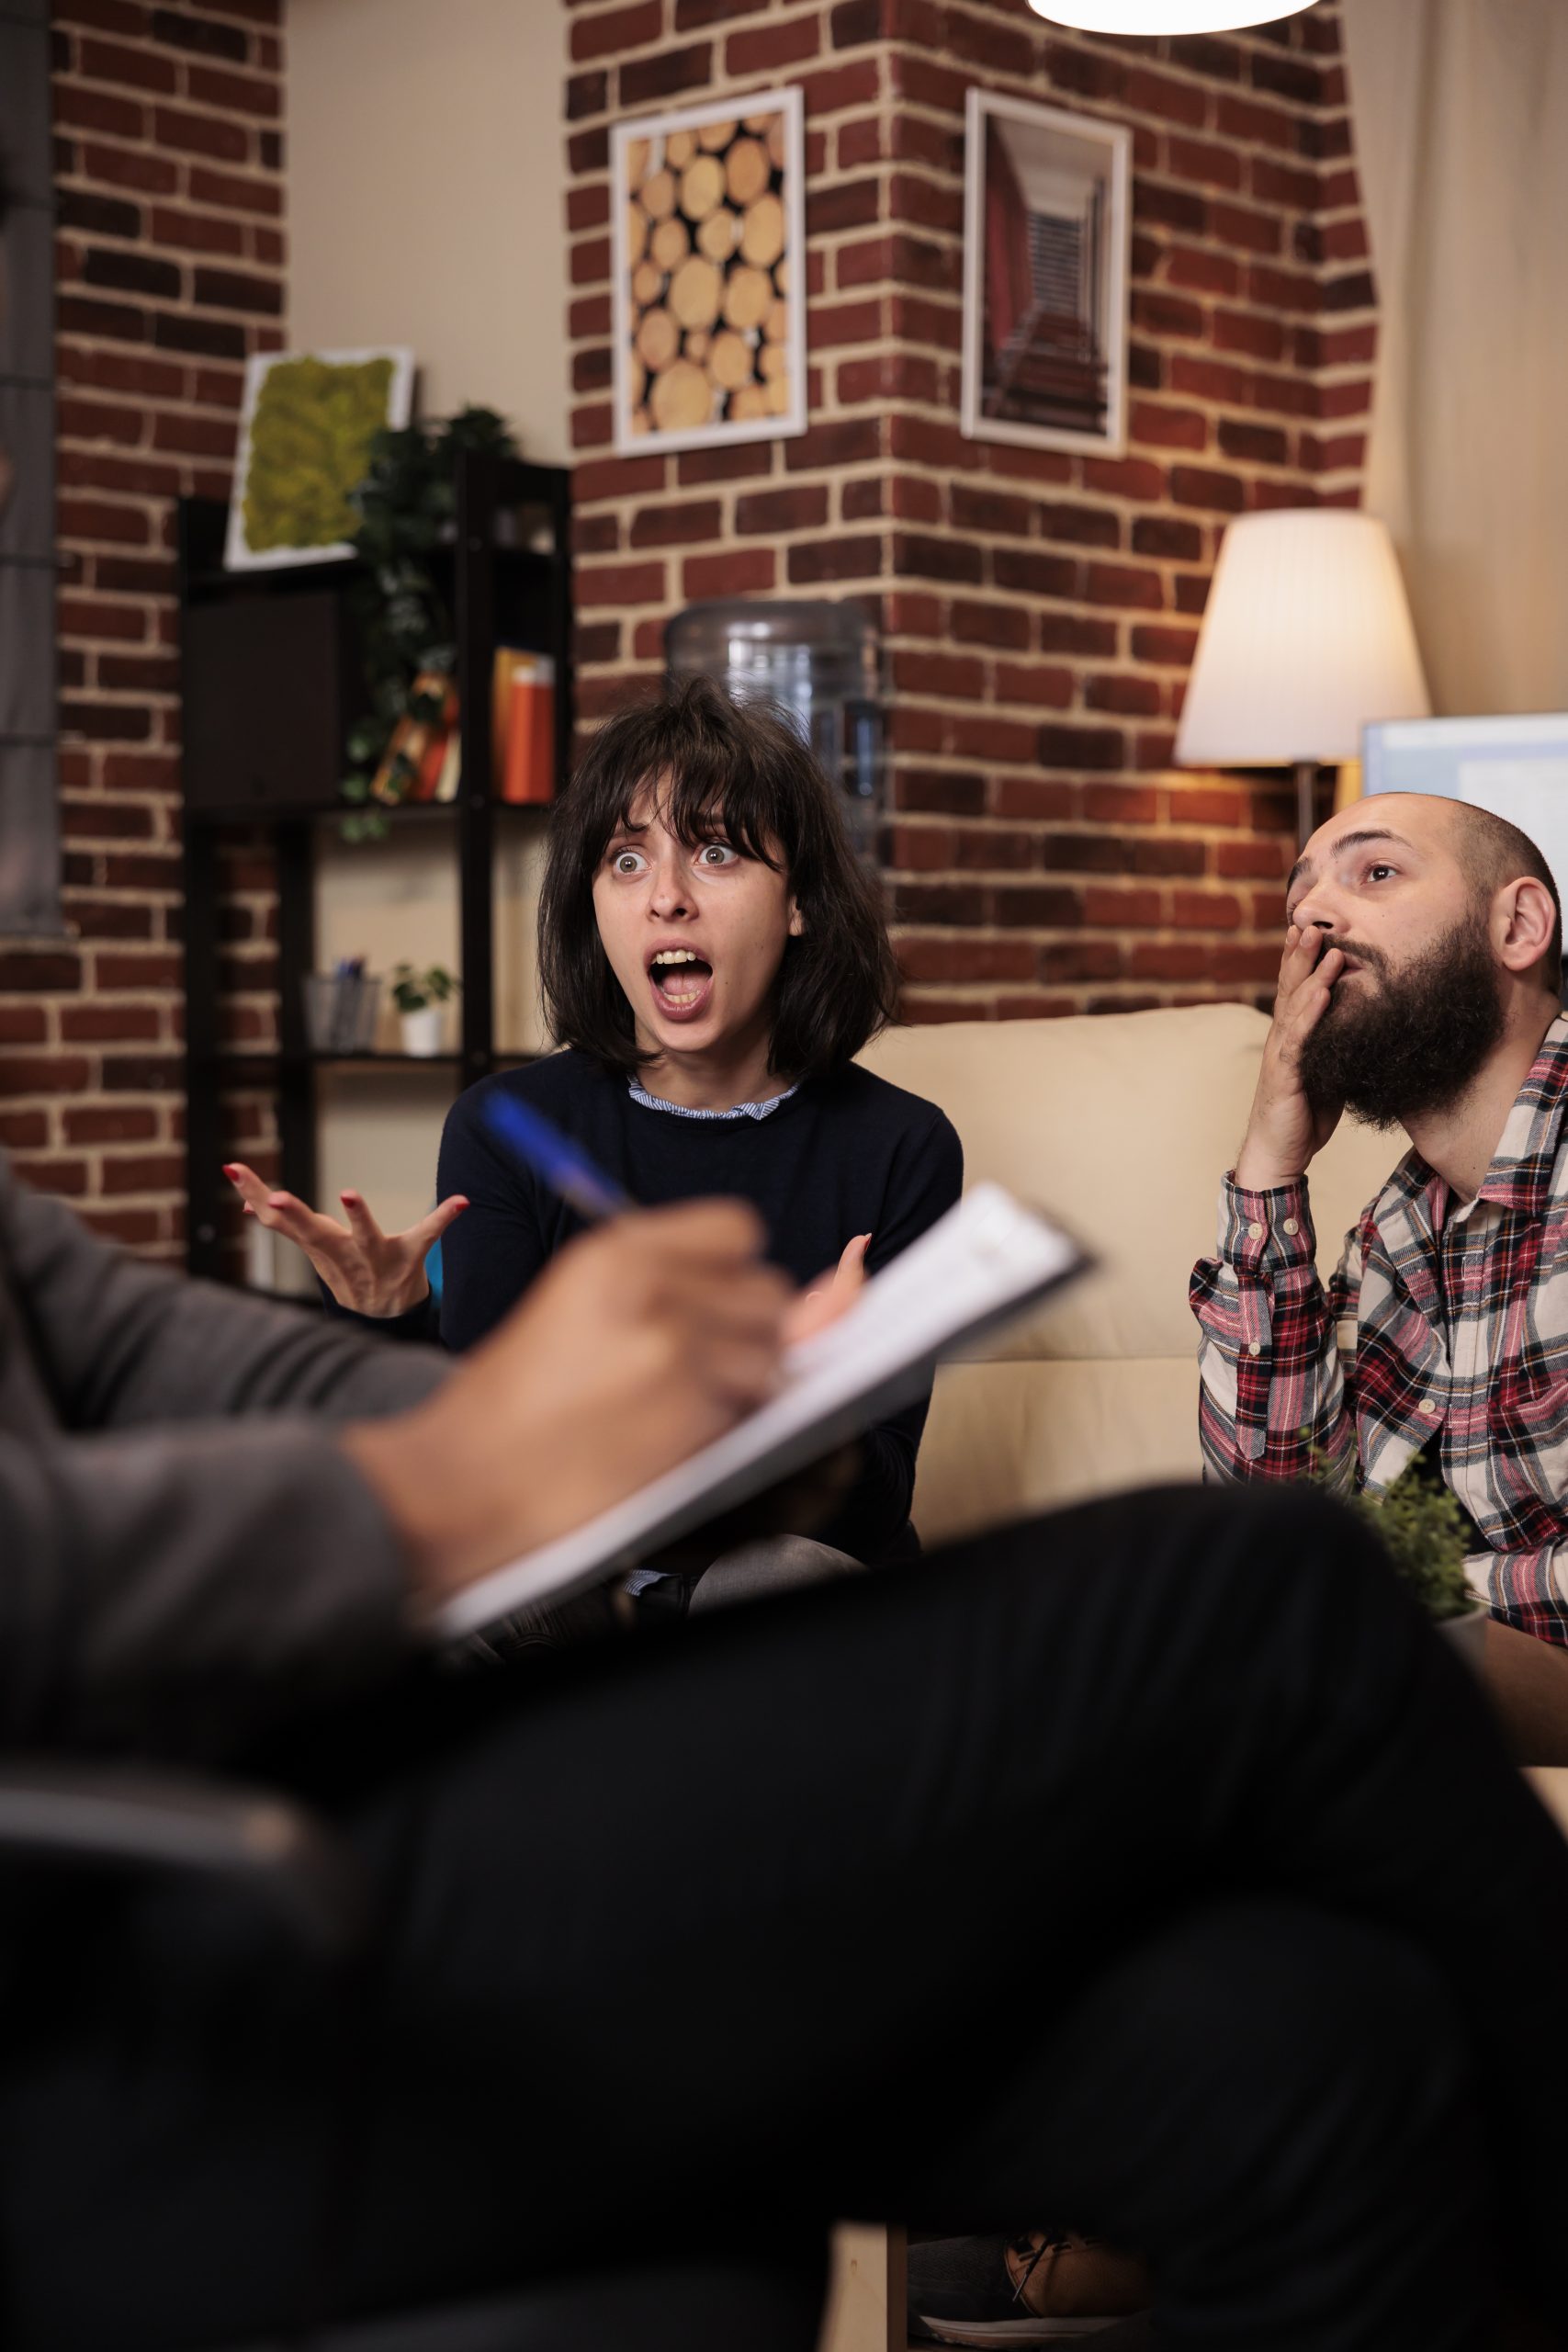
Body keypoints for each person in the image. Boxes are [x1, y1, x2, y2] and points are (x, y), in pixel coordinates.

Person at [7, 1148, 1568, 2351]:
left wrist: (652, 1435)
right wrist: (439, 1480)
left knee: (1295, 2046)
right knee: (1259, 1591)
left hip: (276, 1805)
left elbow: (174, 1361)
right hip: (101, 1944)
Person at [228, 678, 963, 1587]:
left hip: (780, 1591)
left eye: (718, 853)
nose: (666, 898)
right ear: (593, 903)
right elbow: (487, 1464)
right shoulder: (509, 1128)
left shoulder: (903, 1144)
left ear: (799, 902)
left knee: (773, 1573)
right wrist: (396, 1323)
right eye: (626, 860)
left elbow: (875, 1504)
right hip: (571, 1584)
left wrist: (810, 1380)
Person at [1192, 790, 1568, 1645]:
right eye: (1299, 900)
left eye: (1377, 872)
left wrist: (1377, 1598)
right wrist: (1269, 1168)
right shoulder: (1394, 1236)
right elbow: (1266, 1518)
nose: (1311, 916)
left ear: (1517, 926)